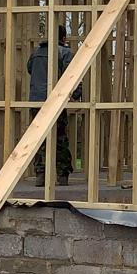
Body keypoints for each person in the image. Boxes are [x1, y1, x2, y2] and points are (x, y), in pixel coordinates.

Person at [27, 25, 80, 185]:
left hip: (36, 100)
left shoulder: (36, 53)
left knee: (39, 138)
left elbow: (30, 69)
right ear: (63, 38)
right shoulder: (64, 52)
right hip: (55, 100)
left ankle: (40, 174)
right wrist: (76, 94)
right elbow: (72, 75)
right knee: (59, 137)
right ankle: (62, 174)